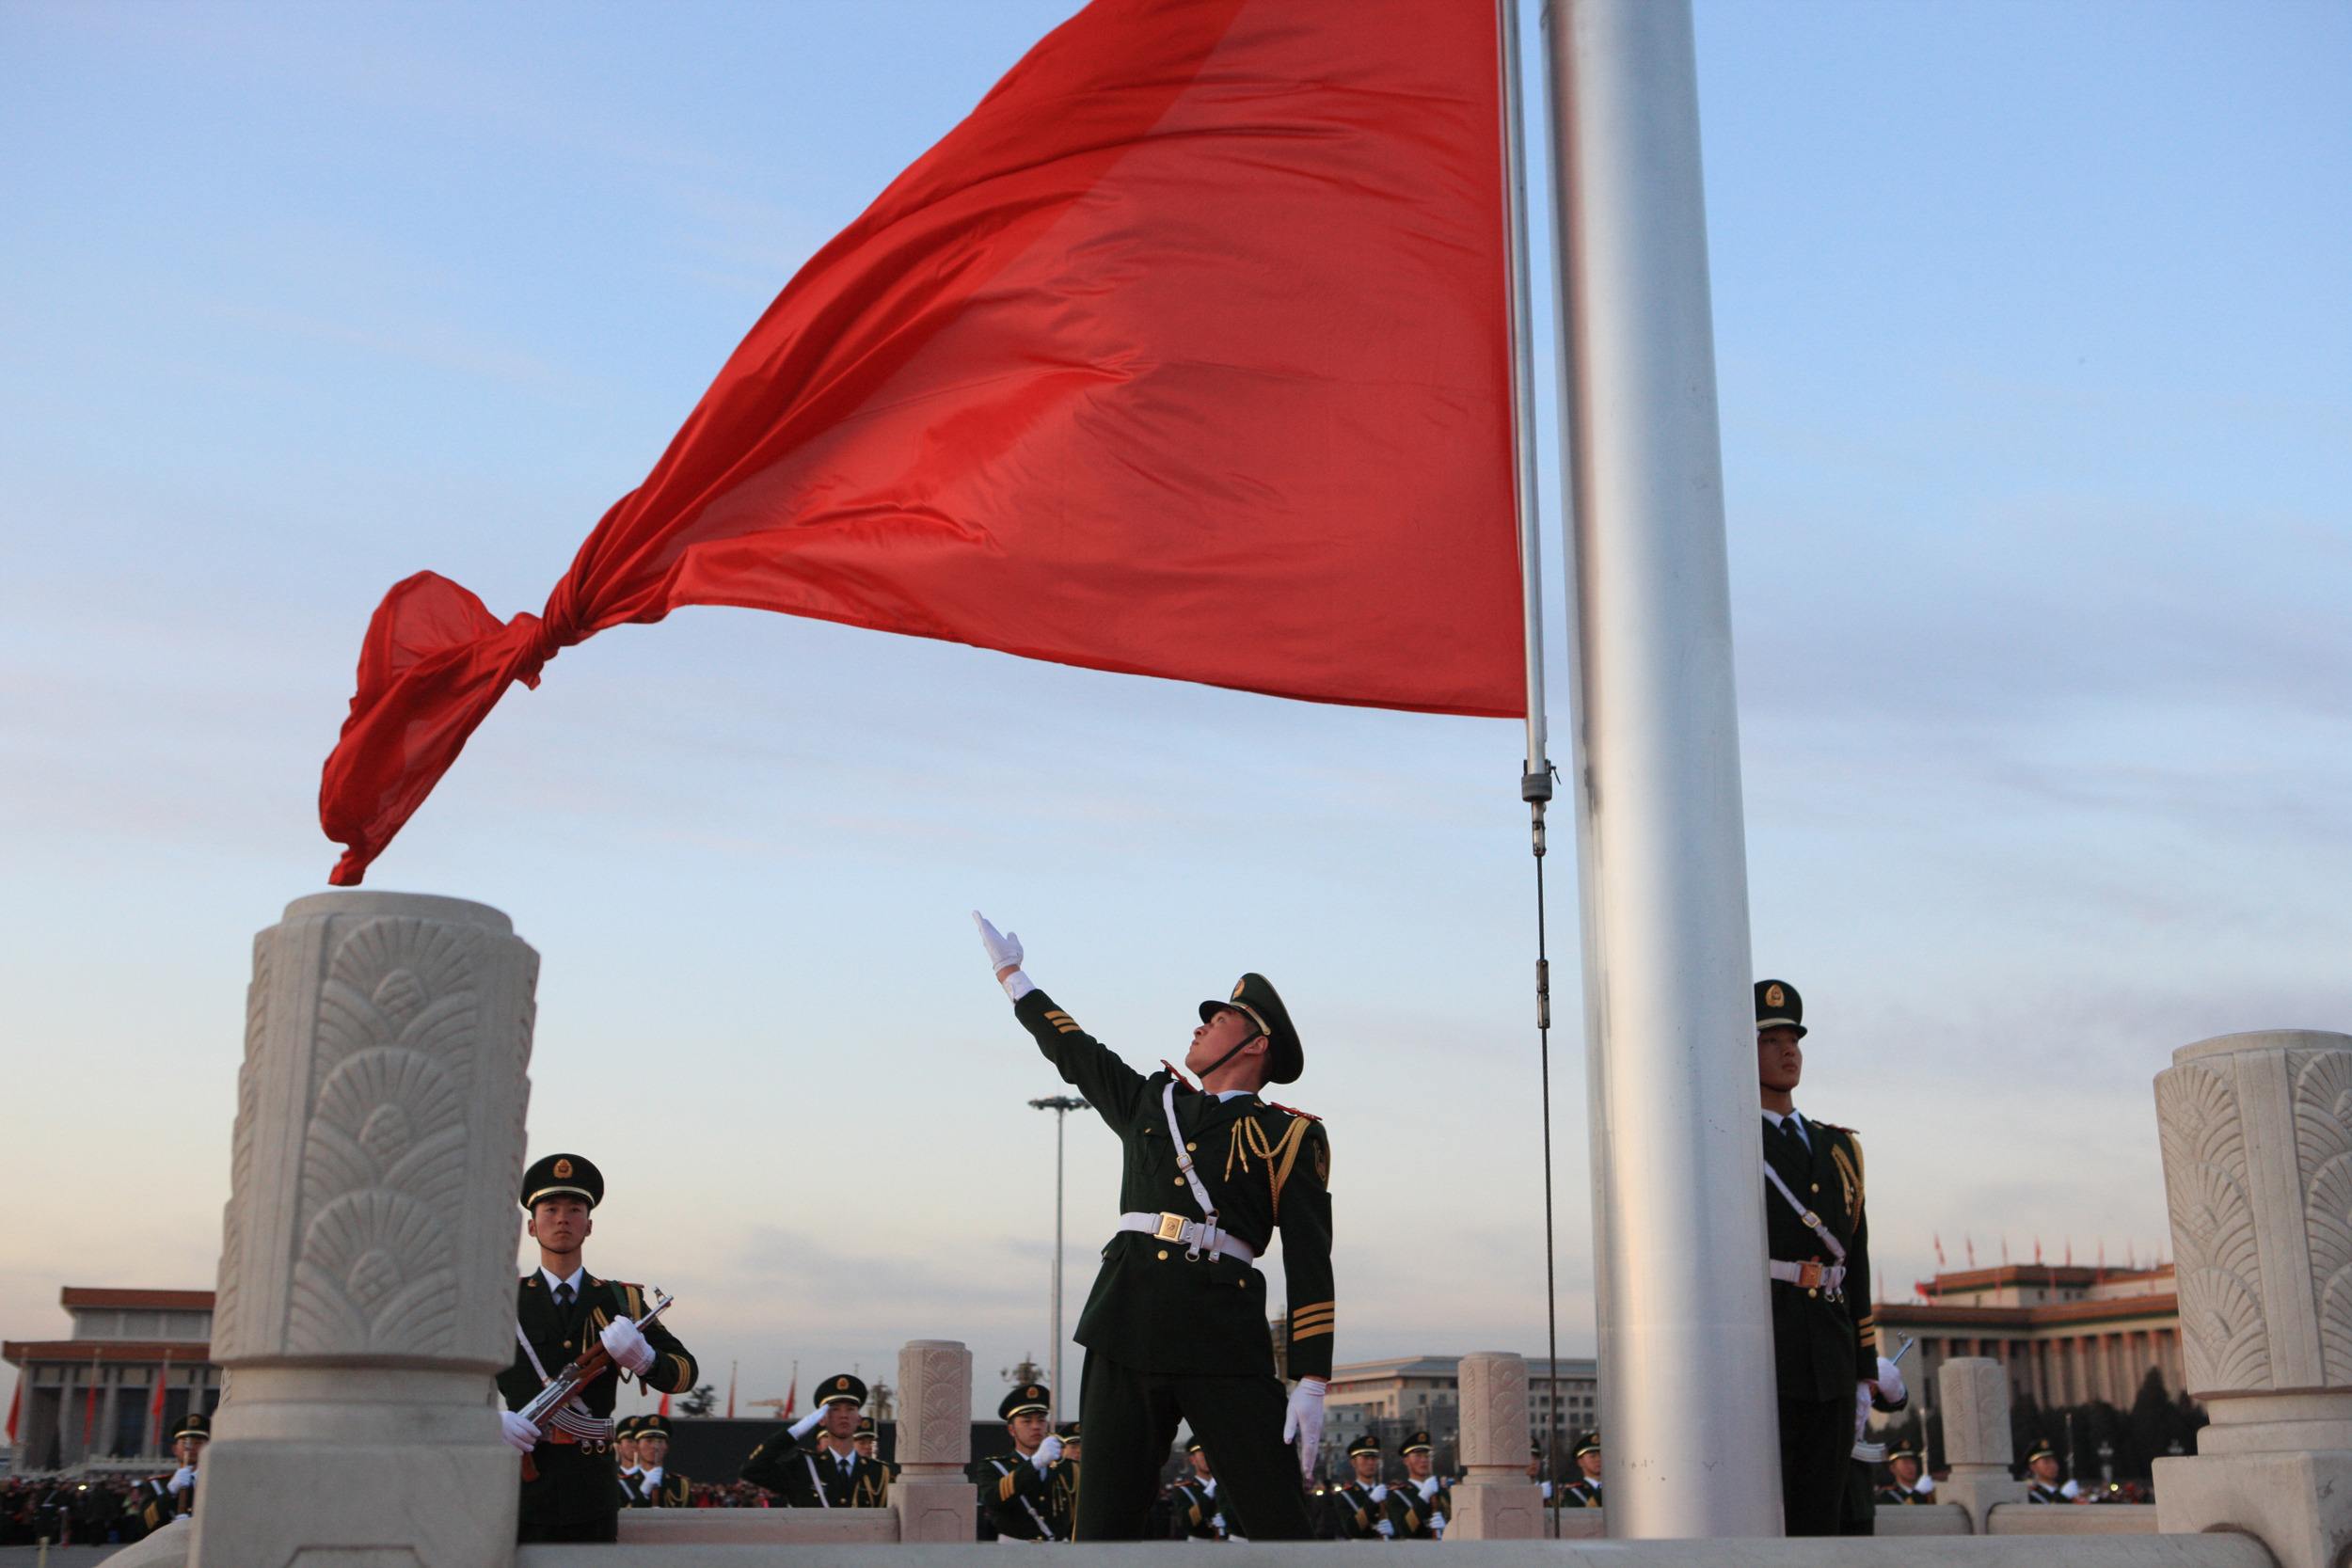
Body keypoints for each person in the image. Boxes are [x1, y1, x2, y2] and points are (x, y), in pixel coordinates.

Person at [974, 913, 1334, 1542]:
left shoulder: (1288, 1136)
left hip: (1223, 1335)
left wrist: (1312, 1375)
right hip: (1127, 1321)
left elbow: (1310, 1257)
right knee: (1104, 1526)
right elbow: (1075, 1051)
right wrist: (1014, 977)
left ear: (1255, 1043)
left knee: (1280, 1524)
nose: (1200, 1024)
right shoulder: (1153, 1103)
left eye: (1218, 1018)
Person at [496, 1152, 702, 1544]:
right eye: (550, 1209)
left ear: (588, 1226)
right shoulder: (502, 1301)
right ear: (531, 1226)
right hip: (519, 1482)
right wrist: (488, 1423)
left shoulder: (622, 1302)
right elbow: (459, 1380)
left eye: (574, 1209)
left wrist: (644, 1359)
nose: (562, 1219)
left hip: (590, 1487)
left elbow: (685, 1374)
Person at [1756, 980, 1880, 1536]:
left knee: (1821, 1517)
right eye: (1771, 1040)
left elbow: (1856, 1260)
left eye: (1794, 1040)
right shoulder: (1726, 1137)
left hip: (1829, 1353)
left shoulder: (1838, 1149)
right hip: (1765, 1349)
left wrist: (1864, 1368)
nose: (1789, 1052)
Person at [747, 1374, 891, 1507]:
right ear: (821, 1419)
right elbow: (752, 1470)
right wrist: (796, 1430)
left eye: (850, 1409)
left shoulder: (879, 1473)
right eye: (834, 1409)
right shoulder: (803, 1468)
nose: (843, 1415)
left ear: (859, 1419)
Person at [971, 1383, 1068, 1541]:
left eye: (1041, 1420)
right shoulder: (994, 1467)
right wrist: (1035, 1463)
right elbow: (993, 1499)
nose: (1036, 1427)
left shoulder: (1063, 1467)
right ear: (1011, 1430)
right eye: (1027, 1421)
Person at [128, 1412, 209, 1531]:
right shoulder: (157, 1485)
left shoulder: (215, 1481)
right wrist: (169, 1492)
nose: (191, 1448)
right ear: (175, 1449)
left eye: (198, 1443)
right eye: (186, 1443)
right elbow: (144, 1524)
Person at [1380, 1432, 1446, 1539]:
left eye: (1427, 1456)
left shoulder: (1442, 1492)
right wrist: (1424, 1496)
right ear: (1406, 1461)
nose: (1424, 1460)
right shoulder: (1396, 1495)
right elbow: (1403, 1530)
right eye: (1418, 1455)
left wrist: (1447, 1528)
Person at [1327, 1433, 1393, 1539]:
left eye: (1374, 1458)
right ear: (1354, 1462)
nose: (1371, 1462)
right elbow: (1351, 1530)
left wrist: (1395, 1532)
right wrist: (1372, 1501)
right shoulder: (1344, 1496)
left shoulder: (1389, 1493)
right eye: (1365, 1458)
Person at [1168, 1435, 1225, 1540]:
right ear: (1193, 1459)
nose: (1208, 1460)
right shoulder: (1184, 1489)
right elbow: (1187, 1521)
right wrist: (1210, 1491)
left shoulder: (1225, 1489)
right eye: (1203, 1455)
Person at [634, 1413, 691, 1507]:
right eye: (649, 1441)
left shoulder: (680, 1485)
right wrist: (643, 1492)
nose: (655, 1447)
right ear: (637, 1447)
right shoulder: (622, 1484)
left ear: (667, 1447)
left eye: (660, 1442)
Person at [2024, 1439, 2083, 1503]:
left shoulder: (2066, 1490)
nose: (2052, 1465)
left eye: (2054, 1461)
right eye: (2046, 1462)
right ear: (2033, 1467)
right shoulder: (2032, 1495)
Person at [1876, 1440, 1933, 1505]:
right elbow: (1903, 1512)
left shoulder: (1928, 1491)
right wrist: (1918, 1493)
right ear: (1893, 1468)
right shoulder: (1886, 1496)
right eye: (1905, 1462)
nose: (1910, 1466)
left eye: (1912, 1462)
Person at [1561, 1431, 1603, 1508]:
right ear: (1580, 1462)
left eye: (1602, 1455)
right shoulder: (1573, 1492)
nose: (1598, 1459)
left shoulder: (1616, 1487)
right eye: (1593, 1456)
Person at [615, 1416, 646, 1506]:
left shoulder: (654, 1478)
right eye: (630, 1441)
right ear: (620, 1446)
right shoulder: (611, 1479)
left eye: (639, 1441)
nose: (635, 1445)